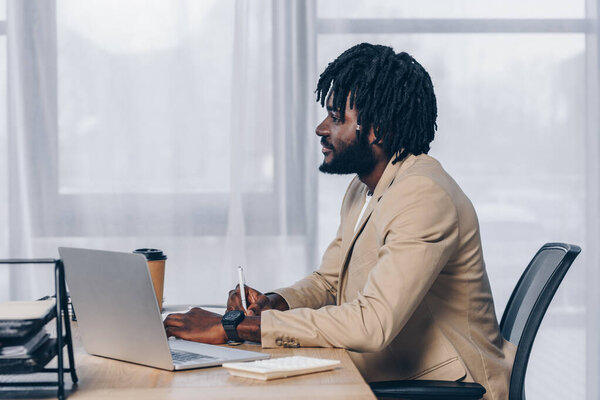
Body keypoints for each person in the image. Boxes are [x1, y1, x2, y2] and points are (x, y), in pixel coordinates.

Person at [164, 43, 516, 400]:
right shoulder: (363, 188)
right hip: (389, 372)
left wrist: (236, 328)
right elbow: (330, 282)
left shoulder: (423, 195)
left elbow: (372, 323)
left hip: (449, 388)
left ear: (377, 128)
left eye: (336, 118)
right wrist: (274, 303)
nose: (321, 128)